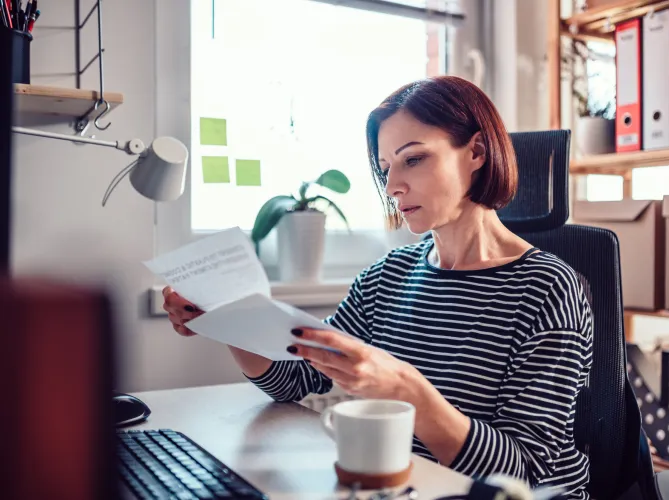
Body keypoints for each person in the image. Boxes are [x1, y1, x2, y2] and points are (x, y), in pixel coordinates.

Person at [163, 76, 594, 499]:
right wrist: (227, 321)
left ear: (476, 151)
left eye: (414, 159)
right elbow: (292, 378)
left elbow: (527, 478)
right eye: (386, 168)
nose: (391, 187)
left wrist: (409, 392)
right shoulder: (386, 277)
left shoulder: (549, 290)